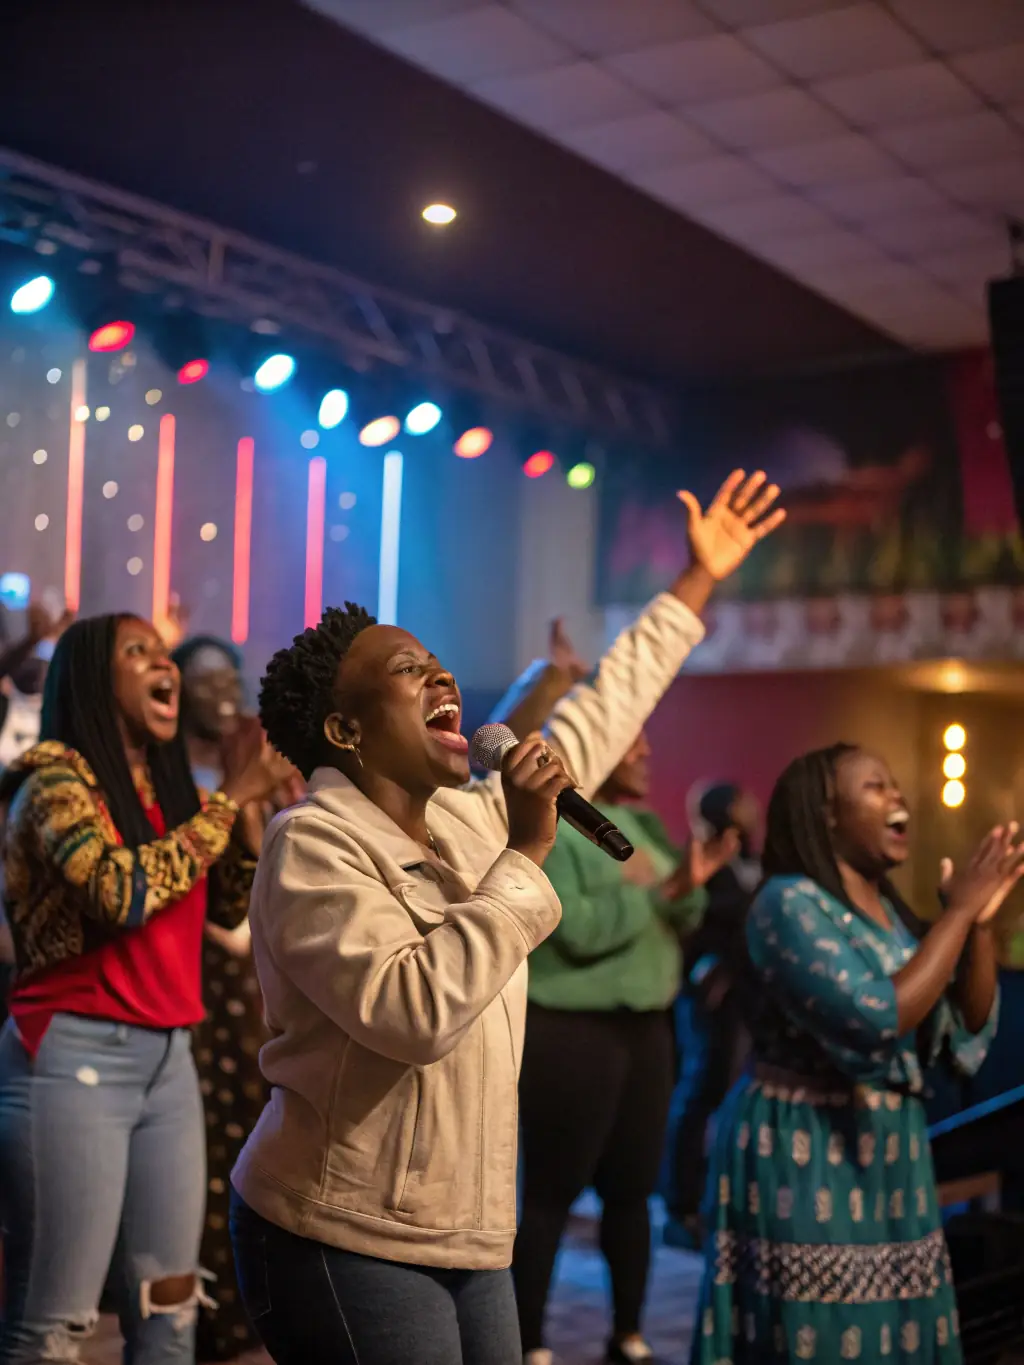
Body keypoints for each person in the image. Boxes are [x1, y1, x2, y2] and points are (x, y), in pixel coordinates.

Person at [228, 470, 784, 1365]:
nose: (439, 672)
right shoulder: (312, 844)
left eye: (436, 661)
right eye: (407, 670)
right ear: (346, 731)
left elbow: (602, 713)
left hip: (468, 1228)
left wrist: (696, 582)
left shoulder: (464, 817)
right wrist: (525, 855)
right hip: (344, 1225)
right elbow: (413, 1011)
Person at [0, 613, 288, 1365]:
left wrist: (249, 816)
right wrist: (231, 796)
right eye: (140, 652)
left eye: (166, 653)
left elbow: (224, 907)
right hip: (74, 1057)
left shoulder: (166, 791)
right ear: (96, 677)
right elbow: (118, 890)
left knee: (171, 1306)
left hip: (169, 1061)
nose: (167, 665)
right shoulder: (52, 780)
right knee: (56, 1319)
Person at [693, 743, 1022, 1365]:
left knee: (899, 1332)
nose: (897, 796)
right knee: (821, 1335)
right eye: (875, 786)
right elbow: (875, 1015)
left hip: (889, 1149)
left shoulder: (889, 916)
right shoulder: (787, 903)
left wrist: (975, 923)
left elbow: (961, 1029)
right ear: (826, 814)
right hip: (806, 1145)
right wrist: (957, 913)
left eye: (894, 784)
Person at [510, 728, 737, 1365]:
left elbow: (684, 919)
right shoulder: (551, 825)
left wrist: (687, 889)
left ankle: (628, 1335)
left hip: (647, 1029)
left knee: (633, 1192)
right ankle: (528, 1343)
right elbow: (575, 928)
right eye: (631, 743)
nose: (644, 753)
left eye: (646, 742)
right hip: (573, 1030)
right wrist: (663, 894)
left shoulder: (646, 825)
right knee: (552, 1195)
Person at [172, 634, 301, 1362]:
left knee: (240, 1147)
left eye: (232, 676)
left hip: (247, 983)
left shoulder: (247, 773)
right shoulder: (172, 779)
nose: (224, 690)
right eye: (205, 677)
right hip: (195, 981)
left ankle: (235, 1316)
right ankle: (201, 1323)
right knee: (201, 1153)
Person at [663, 781, 760, 1251]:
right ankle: (679, 1208)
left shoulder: (753, 860)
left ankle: (712, 1202)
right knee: (699, 1093)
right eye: (743, 801)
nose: (753, 807)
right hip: (708, 997)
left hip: (745, 997)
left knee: (726, 1095)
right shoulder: (699, 855)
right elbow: (694, 915)